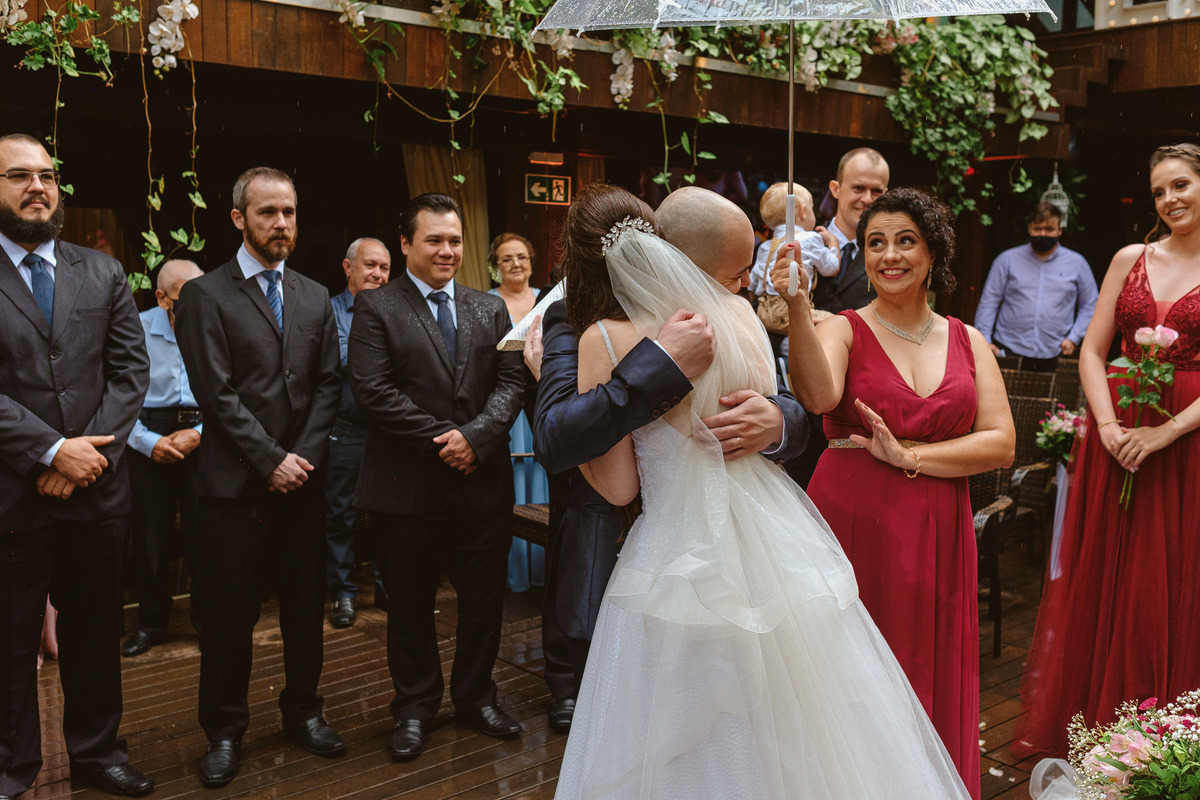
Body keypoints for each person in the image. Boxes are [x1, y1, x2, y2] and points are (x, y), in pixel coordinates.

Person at [552, 182, 972, 799]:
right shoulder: (744, 318)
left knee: (679, 724)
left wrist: (777, 420)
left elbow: (617, 488)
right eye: (739, 269)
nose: (747, 283)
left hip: (679, 550)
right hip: (777, 539)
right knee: (794, 713)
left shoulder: (607, 338)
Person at [524, 184, 810, 735]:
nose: (744, 282)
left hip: (702, 534)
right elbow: (557, 436)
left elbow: (794, 408)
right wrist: (659, 364)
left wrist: (778, 420)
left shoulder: (729, 311)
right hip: (624, 536)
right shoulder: (569, 319)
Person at [773, 187, 1015, 798]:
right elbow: (819, 396)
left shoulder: (969, 340)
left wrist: (910, 457)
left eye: (905, 241)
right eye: (875, 243)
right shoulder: (844, 328)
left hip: (938, 523)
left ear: (933, 253)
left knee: (929, 665)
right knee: (850, 667)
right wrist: (799, 307)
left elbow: (1000, 444)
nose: (889, 256)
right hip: (854, 517)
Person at [1015, 143, 1200, 757]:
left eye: (1181, 185)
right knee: (1113, 571)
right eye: (1159, 192)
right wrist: (1109, 426)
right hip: (1115, 435)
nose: (1169, 199)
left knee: (1174, 573)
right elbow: (1094, 351)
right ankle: (1105, 725)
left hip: (1186, 443)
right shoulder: (1130, 258)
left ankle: (1166, 734)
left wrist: (1165, 433)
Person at [175, 167, 345, 788]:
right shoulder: (205, 295)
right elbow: (214, 394)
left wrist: (297, 459)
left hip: (301, 483)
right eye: (268, 212)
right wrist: (269, 459)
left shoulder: (315, 294)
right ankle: (223, 730)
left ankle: (304, 711)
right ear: (238, 219)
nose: (281, 224)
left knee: (305, 607)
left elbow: (328, 385)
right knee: (226, 616)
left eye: (289, 213)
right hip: (232, 489)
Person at [0, 133, 154, 798]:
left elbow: (130, 372)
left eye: (47, 176)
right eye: (18, 176)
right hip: (11, 493)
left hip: (95, 493)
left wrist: (85, 455)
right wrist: (46, 449)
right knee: (8, 642)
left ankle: (97, 756)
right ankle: (13, 765)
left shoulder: (105, 272)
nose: (38, 187)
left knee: (94, 635)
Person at [347, 193, 525, 762]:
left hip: (482, 482)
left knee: (483, 599)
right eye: (434, 240)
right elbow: (373, 392)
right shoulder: (375, 307)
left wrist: (477, 437)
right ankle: (415, 706)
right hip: (410, 486)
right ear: (405, 244)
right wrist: (444, 441)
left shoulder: (490, 307)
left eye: (455, 240)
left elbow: (513, 380)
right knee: (409, 605)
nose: (447, 250)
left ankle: (476, 696)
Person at [122, 258, 205, 658]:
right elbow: (120, 399)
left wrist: (201, 434)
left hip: (204, 434)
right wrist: (147, 442)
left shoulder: (213, 323)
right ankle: (151, 624)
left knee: (205, 535)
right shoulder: (135, 329)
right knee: (149, 539)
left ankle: (208, 622)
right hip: (147, 435)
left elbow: (234, 390)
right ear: (161, 297)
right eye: (185, 298)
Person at [325, 237, 391, 629]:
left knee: (388, 513)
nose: (379, 275)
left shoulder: (395, 310)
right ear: (348, 267)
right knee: (340, 515)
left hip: (388, 432)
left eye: (384, 268)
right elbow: (348, 360)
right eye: (371, 266)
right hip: (346, 429)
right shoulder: (329, 311)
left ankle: (386, 587)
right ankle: (344, 594)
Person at [487, 232, 548, 593]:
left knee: (539, 473)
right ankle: (515, 571)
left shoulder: (546, 300)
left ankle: (541, 569)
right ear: (496, 265)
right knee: (511, 476)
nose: (516, 264)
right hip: (507, 404)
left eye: (522, 257)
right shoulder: (486, 301)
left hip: (540, 398)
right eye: (507, 258)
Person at [974, 201, 1099, 373]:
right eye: (1037, 228)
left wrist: (1074, 338)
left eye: (1049, 229)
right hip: (1008, 350)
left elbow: (1090, 304)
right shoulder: (1007, 260)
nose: (1042, 233)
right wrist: (984, 341)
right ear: (1029, 228)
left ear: (1059, 230)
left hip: (1056, 353)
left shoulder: (1077, 264)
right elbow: (989, 301)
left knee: (1053, 401)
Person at [748, 181, 839, 349]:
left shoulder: (765, 247)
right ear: (803, 212)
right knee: (838, 322)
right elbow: (831, 268)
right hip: (791, 312)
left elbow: (753, 285)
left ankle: (783, 353)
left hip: (764, 313)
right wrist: (833, 243)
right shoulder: (810, 239)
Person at [811, 147, 890, 315]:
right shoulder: (805, 241)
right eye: (858, 188)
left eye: (876, 191)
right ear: (835, 189)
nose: (867, 199)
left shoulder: (890, 255)